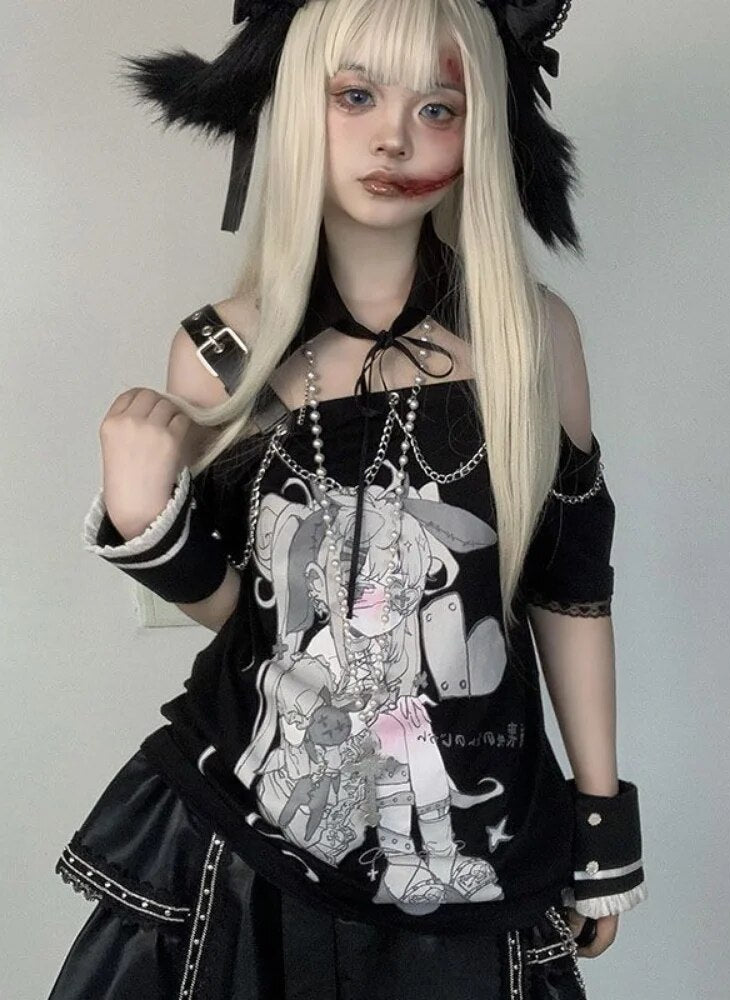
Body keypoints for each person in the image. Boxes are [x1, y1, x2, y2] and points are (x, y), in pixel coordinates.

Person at [47, 2, 647, 998]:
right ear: (296, 106)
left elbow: (570, 586)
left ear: (482, 127)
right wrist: (144, 520)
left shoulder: (533, 337)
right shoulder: (221, 353)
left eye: (439, 108)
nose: (395, 138)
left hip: (480, 838)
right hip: (255, 837)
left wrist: (601, 816)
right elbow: (251, 617)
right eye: (356, 95)